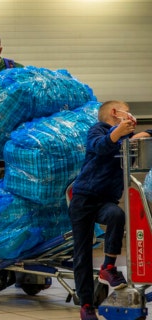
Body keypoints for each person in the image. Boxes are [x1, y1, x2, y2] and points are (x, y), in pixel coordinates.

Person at [69, 100, 152, 320]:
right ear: (115, 113)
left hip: (106, 201)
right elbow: (101, 146)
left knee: (117, 215)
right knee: (82, 253)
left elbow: (138, 139)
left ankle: (108, 266)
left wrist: (142, 135)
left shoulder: (125, 140)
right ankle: (86, 304)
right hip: (83, 200)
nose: (131, 117)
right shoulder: (98, 130)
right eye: (128, 112)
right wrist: (119, 132)